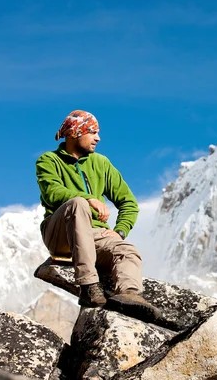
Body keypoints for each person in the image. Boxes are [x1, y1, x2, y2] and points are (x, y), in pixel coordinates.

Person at [35, 110, 159, 319]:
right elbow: (52, 193)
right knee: (77, 204)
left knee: (126, 249)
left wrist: (119, 232)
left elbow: (128, 202)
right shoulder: (48, 160)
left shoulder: (101, 163)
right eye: (92, 132)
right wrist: (88, 198)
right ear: (75, 132)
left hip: (93, 235)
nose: (98, 138)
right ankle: (89, 286)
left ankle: (128, 296)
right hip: (60, 234)